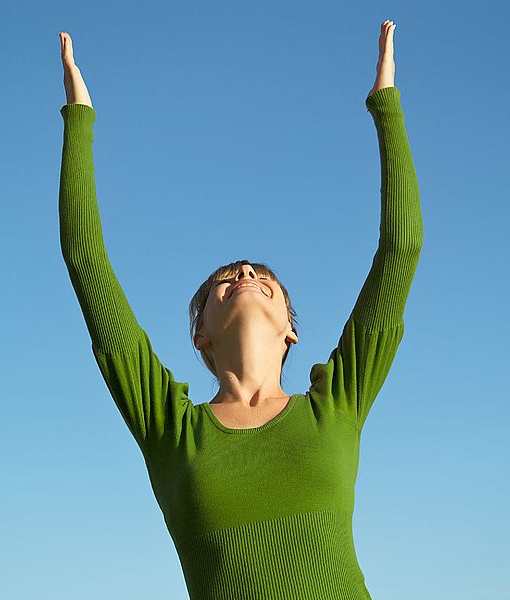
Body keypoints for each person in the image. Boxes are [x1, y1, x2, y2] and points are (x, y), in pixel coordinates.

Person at [58, 20, 423, 600]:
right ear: (199, 335)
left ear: (291, 332)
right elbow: (86, 260)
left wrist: (386, 104)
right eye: (224, 280)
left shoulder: (338, 404)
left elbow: (401, 249)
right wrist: (79, 119)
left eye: (263, 278)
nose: (246, 275)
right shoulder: (169, 429)